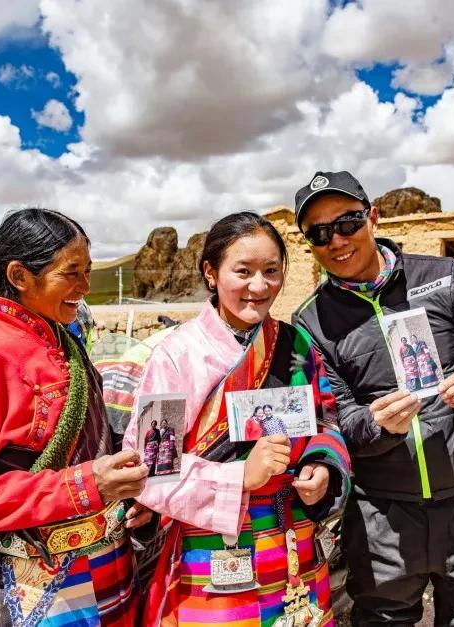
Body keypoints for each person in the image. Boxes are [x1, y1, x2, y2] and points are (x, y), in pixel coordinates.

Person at [292, 172, 454, 626]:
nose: (336, 240)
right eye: (319, 234)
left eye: (347, 223)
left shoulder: (443, 277)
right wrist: (375, 424)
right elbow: (333, 417)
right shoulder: (311, 321)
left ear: (373, 217)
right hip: (381, 512)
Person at [122, 212, 352, 626]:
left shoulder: (296, 345)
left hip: (294, 542)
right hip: (213, 553)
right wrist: (239, 477)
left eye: (271, 271)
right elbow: (150, 467)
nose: (259, 286)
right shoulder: (178, 355)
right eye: (243, 271)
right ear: (211, 273)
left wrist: (322, 467)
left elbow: (326, 421)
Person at [0, 208, 151, 627]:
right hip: (40, 589)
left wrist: (128, 487)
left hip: (113, 568)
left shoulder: (65, 343)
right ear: (19, 275)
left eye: (88, 272)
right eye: (71, 273)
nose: (85, 287)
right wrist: (87, 486)